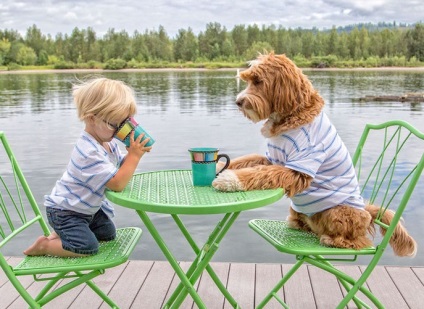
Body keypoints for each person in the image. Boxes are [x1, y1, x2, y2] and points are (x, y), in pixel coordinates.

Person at [24, 77, 152, 257]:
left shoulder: (108, 143)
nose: (120, 132)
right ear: (92, 118)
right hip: (65, 212)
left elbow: (117, 169)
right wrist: (134, 156)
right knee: (88, 248)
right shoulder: (88, 152)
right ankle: (45, 246)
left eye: (125, 124)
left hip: (87, 210)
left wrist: (132, 153)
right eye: (115, 125)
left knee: (107, 235)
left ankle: (61, 234)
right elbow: (116, 183)